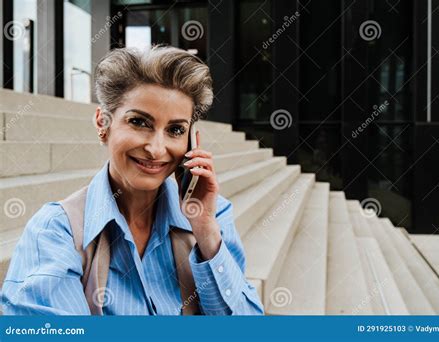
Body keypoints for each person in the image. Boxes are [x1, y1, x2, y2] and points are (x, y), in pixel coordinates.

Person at [1, 46, 264, 315]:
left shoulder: (214, 215)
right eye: (139, 122)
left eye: (175, 130)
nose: (157, 149)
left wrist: (206, 232)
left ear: (191, 141)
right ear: (103, 124)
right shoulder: (56, 232)